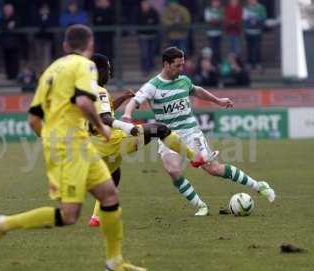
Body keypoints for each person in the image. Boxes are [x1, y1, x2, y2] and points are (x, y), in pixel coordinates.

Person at [0, 24, 146, 271]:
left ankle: (114, 261)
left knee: (110, 196)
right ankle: (1, 223)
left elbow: (34, 119)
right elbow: (82, 101)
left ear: (65, 46)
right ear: (89, 46)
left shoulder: (50, 71)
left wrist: (49, 141)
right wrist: (100, 127)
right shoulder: (85, 66)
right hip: (70, 146)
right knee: (69, 215)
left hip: (73, 144)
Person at [122, 47, 276, 216]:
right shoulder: (153, 86)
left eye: (182, 65)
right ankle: (201, 206)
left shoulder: (184, 80)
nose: (181, 69)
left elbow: (197, 91)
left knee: (213, 169)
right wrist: (128, 115)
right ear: (166, 64)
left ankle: (259, 185)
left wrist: (218, 101)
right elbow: (134, 101)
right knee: (173, 170)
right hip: (168, 136)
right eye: (177, 66)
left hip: (191, 133)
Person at [87, 53, 208, 227]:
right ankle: (194, 157)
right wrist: (128, 127)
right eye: (108, 69)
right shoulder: (99, 91)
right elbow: (105, 118)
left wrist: (121, 98)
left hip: (96, 146)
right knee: (160, 129)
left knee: (113, 174)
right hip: (112, 142)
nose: (110, 74)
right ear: (99, 70)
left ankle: (96, 218)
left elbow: (102, 110)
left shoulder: (85, 90)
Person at [135, 0, 160, 76]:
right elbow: (136, 23)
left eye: (146, 4)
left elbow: (156, 22)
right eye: (143, 4)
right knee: (145, 54)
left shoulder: (154, 12)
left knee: (151, 53)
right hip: (142, 36)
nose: (145, 6)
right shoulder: (138, 12)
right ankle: (145, 70)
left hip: (153, 36)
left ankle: (150, 67)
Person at [243, 0, 267, 70]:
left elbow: (264, 18)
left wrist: (257, 20)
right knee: (249, 48)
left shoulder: (261, 8)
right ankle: (249, 63)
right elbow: (244, 19)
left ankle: (258, 63)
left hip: (257, 32)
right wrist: (249, 21)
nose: (251, 1)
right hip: (248, 31)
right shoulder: (246, 8)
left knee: (257, 48)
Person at [0, 3, 21, 80]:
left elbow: (18, 26)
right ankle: (9, 76)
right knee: (7, 61)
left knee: (14, 61)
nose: (7, 11)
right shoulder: (2, 19)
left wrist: (9, 27)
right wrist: (7, 26)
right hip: (5, 44)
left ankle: (15, 76)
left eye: (9, 9)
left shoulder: (16, 18)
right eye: (6, 10)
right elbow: (1, 27)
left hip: (14, 43)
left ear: (12, 10)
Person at [204, 0, 224, 65]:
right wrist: (215, 21)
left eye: (217, 2)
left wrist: (216, 21)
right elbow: (208, 20)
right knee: (211, 49)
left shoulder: (221, 10)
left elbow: (221, 19)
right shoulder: (208, 10)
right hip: (210, 33)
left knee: (218, 49)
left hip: (218, 33)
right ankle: (212, 63)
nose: (216, 3)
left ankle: (218, 63)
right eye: (214, 2)